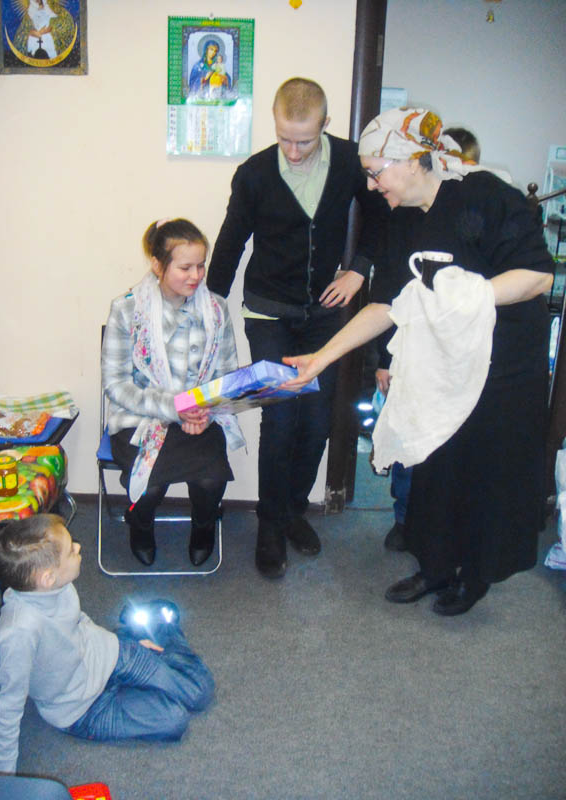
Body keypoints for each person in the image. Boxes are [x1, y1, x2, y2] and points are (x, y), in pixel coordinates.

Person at [283, 107, 553, 615]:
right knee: (434, 465)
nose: (371, 185)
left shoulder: (487, 195)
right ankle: (434, 566)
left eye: (375, 172)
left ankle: (474, 576)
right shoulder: (403, 218)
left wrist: (462, 297)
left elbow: (538, 277)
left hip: (503, 363)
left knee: (482, 469)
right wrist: (320, 359)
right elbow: (386, 305)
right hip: (442, 360)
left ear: (411, 159)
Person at [206, 77, 388, 579]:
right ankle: (269, 523)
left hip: (324, 315)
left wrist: (359, 269)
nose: (292, 150)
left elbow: (381, 215)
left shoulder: (350, 161)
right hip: (269, 312)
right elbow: (231, 242)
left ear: (325, 125)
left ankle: (292, 511)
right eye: (284, 138)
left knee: (318, 420)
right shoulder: (254, 174)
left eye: (303, 141)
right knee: (281, 418)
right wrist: (209, 307)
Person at [0, 514, 214, 774]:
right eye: (70, 550)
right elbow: (8, 706)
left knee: (200, 693)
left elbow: (78, 622)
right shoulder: (18, 633)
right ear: (48, 578)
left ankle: (150, 629)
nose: (78, 547)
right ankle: (148, 627)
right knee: (175, 719)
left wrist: (119, 642)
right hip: (85, 710)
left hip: (111, 654)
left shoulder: (58, 585)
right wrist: (4, 778)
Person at [102, 218, 244, 567]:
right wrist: (174, 407)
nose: (196, 276)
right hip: (140, 419)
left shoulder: (216, 309)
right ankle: (140, 526)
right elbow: (116, 385)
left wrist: (206, 411)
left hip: (199, 416)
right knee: (149, 488)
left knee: (211, 481)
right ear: (157, 264)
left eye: (201, 265)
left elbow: (226, 375)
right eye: (185, 267)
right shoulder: (127, 310)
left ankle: (203, 527)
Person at [374, 126, 482, 553]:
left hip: (457, 352)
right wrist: (383, 359)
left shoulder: (476, 217)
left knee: (447, 441)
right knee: (406, 430)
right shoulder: (402, 216)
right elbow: (387, 291)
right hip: (410, 346)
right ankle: (404, 517)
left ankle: (443, 525)